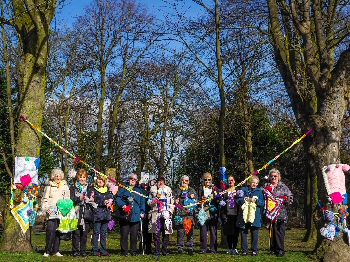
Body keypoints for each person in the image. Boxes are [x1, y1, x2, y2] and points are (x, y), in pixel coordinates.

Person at [263, 168, 293, 257]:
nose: (273, 177)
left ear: (279, 177)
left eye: (275, 176)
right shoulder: (266, 186)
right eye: (271, 176)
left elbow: (290, 196)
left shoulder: (283, 187)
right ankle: (273, 249)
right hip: (270, 213)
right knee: (272, 230)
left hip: (281, 213)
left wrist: (286, 199)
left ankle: (280, 249)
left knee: (280, 232)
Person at [41, 168, 70, 257]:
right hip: (52, 209)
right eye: (56, 175)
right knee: (50, 230)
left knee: (58, 231)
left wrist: (66, 209)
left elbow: (68, 199)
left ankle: (56, 250)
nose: (58, 177)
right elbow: (44, 199)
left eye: (59, 175)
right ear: (53, 176)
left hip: (61, 211)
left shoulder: (65, 186)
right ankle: (47, 251)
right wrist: (46, 208)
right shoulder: (49, 186)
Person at [116, 173, 146, 256]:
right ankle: (124, 251)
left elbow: (142, 202)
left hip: (136, 215)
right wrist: (122, 205)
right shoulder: (123, 188)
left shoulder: (139, 190)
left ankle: (133, 251)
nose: (132, 180)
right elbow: (118, 198)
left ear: (136, 181)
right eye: (131, 178)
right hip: (125, 214)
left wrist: (142, 212)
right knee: (124, 234)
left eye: (134, 179)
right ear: (128, 179)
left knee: (134, 235)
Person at [236, 176, 265, 256]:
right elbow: (237, 200)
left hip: (255, 216)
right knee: (243, 232)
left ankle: (254, 250)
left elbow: (262, 203)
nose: (254, 184)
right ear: (250, 182)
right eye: (253, 182)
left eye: (256, 183)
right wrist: (243, 200)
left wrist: (256, 201)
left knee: (254, 233)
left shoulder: (260, 191)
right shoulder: (243, 189)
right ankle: (245, 250)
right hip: (243, 215)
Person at [69, 168, 94, 257]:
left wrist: (91, 200)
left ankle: (83, 251)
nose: (82, 179)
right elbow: (71, 200)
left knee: (84, 234)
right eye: (80, 177)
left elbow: (93, 199)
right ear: (77, 178)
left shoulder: (90, 188)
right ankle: (75, 251)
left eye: (84, 177)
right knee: (76, 233)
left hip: (86, 213)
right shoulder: (73, 188)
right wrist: (78, 199)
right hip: (76, 213)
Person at [147, 177, 174, 256]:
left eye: (162, 182)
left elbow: (172, 203)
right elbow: (149, 202)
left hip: (166, 214)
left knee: (166, 233)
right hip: (156, 214)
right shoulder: (152, 191)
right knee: (156, 234)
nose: (161, 183)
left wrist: (170, 211)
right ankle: (157, 250)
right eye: (159, 182)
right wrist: (155, 199)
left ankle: (164, 250)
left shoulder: (169, 190)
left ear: (164, 182)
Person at [173, 175, 197, 256]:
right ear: (181, 181)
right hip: (180, 214)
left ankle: (190, 248)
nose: (184, 182)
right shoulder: (177, 190)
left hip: (189, 215)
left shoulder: (192, 190)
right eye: (183, 180)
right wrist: (175, 201)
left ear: (188, 182)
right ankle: (180, 248)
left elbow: (196, 202)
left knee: (190, 233)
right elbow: (172, 199)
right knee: (180, 233)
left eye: (186, 181)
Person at [197, 172, 220, 254]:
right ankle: (203, 248)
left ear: (211, 180)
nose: (207, 181)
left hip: (213, 210)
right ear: (203, 180)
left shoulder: (215, 189)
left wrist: (213, 197)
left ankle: (213, 249)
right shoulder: (200, 188)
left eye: (209, 179)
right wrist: (201, 198)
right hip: (204, 210)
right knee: (203, 230)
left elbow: (218, 199)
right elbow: (197, 200)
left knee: (213, 231)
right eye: (205, 179)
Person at [91, 175, 113, 257]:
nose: (100, 181)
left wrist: (110, 202)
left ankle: (103, 250)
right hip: (97, 214)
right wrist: (103, 202)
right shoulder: (93, 190)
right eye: (99, 179)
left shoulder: (107, 190)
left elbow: (111, 198)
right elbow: (92, 200)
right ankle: (95, 250)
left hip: (106, 214)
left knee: (104, 233)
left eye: (102, 180)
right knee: (96, 232)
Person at [219, 175, 240, 255]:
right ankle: (229, 248)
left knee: (235, 232)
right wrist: (222, 202)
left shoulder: (237, 190)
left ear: (234, 181)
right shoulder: (225, 191)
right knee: (228, 232)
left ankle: (235, 247)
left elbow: (240, 200)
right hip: (227, 214)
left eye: (232, 180)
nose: (230, 182)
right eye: (229, 181)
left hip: (236, 214)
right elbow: (221, 199)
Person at [140, 182, 153, 254]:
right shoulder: (139, 191)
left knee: (149, 232)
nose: (145, 184)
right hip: (142, 214)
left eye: (147, 183)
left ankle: (148, 248)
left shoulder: (150, 192)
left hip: (150, 214)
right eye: (144, 183)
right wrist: (141, 212)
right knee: (142, 232)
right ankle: (142, 247)